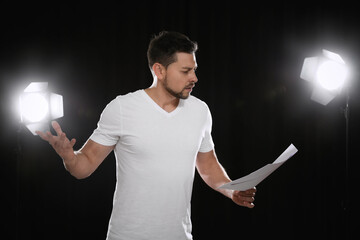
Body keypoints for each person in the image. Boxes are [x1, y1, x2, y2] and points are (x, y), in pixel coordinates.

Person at [37, 31, 256, 240]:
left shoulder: (200, 111)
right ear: (159, 71)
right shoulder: (122, 108)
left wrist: (232, 191)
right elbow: (83, 167)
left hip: (179, 235)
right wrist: (69, 156)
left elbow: (208, 166)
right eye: (185, 71)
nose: (194, 78)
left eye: (194, 69)